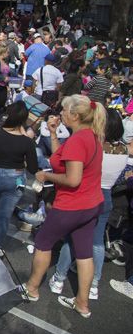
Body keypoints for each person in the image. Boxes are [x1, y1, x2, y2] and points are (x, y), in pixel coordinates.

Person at [21, 95, 106, 318]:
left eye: (65, 111)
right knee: (84, 253)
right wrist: (52, 132)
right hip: (92, 204)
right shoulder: (90, 136)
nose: (61, 114)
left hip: (71, 205)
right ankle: (82, 303)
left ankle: (31, 289)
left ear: (75, 116)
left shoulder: (78, 140)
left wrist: (44, 175)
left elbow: (72, 178)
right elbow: (63, 159)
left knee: (43, 242)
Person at [48, 108, 128, 300]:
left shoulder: (93, 145)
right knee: (97, 242)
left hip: (85, 195)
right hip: (106, 197)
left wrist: (54, 135)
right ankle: (94, 285)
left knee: (71, 239)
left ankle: (58, 279)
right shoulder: (123, 149)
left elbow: (61, 162)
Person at [0, 101, 39, 255]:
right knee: (3, 216)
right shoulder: (27, 142)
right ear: (24, 120)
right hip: (15, 178)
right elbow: (33, 168)